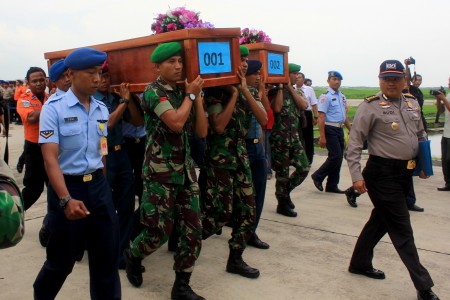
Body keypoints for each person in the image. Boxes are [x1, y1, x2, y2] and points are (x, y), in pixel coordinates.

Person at [346, 60, 439, 300]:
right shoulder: (371, 106)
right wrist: (356, 177)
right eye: (386, 78)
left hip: (404, 174)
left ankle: (359, 263)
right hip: (381, 173)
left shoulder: (412, 102)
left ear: (404, 81)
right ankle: (424, 286)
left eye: (396, 78)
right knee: (402, 228)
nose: (391, 82)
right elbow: (355, 143)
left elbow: (420, 134)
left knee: (381, 221)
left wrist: (422, 164)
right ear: (379, 80)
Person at [33, 47, 121, 299]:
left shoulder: (101, 109)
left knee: (106, 261)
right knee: (61, 262)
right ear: (71, 74)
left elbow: (101, 151)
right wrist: (65, 199)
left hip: (98, 188)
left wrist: (102, 186)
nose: (97, 79)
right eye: (90, 73)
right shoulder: (54, 108)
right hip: (67, 189)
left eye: (99, 73)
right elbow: (50, 159)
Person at [123, 42, 207, 300]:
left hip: (184, 172)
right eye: (171, 62)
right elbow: (176, 123)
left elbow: (201, 132)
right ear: (157, 67)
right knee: (158, 231)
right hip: (160, 173)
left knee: (193, 230)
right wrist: (191, 96)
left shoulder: (184, 92)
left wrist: (197, 99)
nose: (178, 66)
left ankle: (181, 285)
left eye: (180, 61)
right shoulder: (153, 91)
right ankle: (133, 255)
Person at [201, 50, 266, 278]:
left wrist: (245, 91)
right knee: (220, 214)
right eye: (243, 60)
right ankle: (184, 238)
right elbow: (218, 126)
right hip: (220, 159)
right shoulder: (216, 91)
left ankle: (235, 259)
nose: (246, 64)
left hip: (240, 157)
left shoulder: (245, 88)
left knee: (248, 210)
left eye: (247, 60)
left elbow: (264, 119)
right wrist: (235, 95)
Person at [94, 61, 143, 269]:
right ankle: (97, 247)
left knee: (125, 205)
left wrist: (129, 98)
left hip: (121, 153)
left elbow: (138, 121)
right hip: (102, 156)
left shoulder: (115, 98)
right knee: (103, 206)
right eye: (100, 76)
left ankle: (121, 252)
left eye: (107, 76)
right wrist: (124, 100)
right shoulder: (93, 101)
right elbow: (107, 124)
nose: (104, 80)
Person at [38, 59, 71, 248]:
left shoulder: (88, 102)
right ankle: (48, 227)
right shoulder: (52, 106)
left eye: (69, 75)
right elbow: (50, 156)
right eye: (62, 77)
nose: (67, 80)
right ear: (55, 82)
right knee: (57, 212)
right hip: (60, 168)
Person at [269, 63, 309, 217]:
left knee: (304, 168)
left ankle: (285, 194)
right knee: (282, 174)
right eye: (294, 73)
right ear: (286, 74)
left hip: (294, 138)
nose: (297, 76)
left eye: (298, 74)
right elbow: (277, 108)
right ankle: (282, 204)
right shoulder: (275, 92)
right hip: (280, 139)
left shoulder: (297, 91)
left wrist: (291, 89)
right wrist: (281, 88)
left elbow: (304, 105)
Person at [311, 71, 350, 194]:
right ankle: (318, 176)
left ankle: (332, 185)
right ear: (328, 81)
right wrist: (322, 136)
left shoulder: (342, 96)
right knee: (335, 156)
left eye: (339, 79)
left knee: (339, 158)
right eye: (334, 79)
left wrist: (350, 129)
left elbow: (345, 115)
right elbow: (321, 117)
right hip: (330, 128)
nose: (337, 81)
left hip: (339, 129)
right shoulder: (325, 97)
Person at [16, 67, 49, 210]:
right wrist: (52, 107)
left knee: (55, 188)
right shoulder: (24, 99)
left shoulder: (49, 96)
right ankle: (13, 217)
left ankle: (50, 227)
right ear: (28, 83)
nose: (39, 83)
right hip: (34, 148)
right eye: (34, 81)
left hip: (51, 147)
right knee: (33, 190)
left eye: (41, 80)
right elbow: (31, 118)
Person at [296, 71, 318, 164]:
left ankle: (309, 159)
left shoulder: (309, 89)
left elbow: (314, 104)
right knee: (296, 137)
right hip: (295, 113)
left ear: (303, 79)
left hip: (306, 113)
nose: (297, 78)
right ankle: (297, 159)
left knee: (308, 137)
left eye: (299, 77)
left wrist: (315, 116)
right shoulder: (291, 88)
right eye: (296, 76)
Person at [435, 77, 450, 191]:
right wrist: (439, 100)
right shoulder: (449, 94)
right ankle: (448, 182)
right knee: (445, 160)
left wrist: (444, 98)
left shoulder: (447, 96)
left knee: (449, 159)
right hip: (446, 132)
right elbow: (441, 111)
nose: (449, 83)